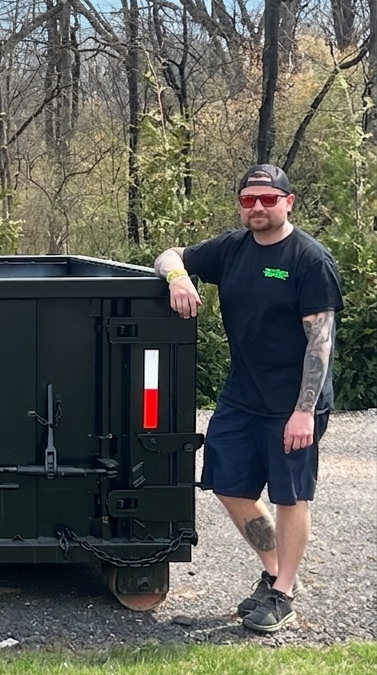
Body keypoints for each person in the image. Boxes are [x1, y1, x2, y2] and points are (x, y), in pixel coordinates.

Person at [153, 164, 344, 633]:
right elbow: (168, 254)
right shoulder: (230, 250)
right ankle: (275, 570)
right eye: (248, 200)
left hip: (293, 402)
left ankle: (284, 593)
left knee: (290, 495)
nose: (257, 207)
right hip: (242, 396)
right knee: (229, 486)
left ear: (288, 202)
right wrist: (179, 278)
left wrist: (303, 413)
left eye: (267, 199)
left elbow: (320, 342)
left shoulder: (309, 260)